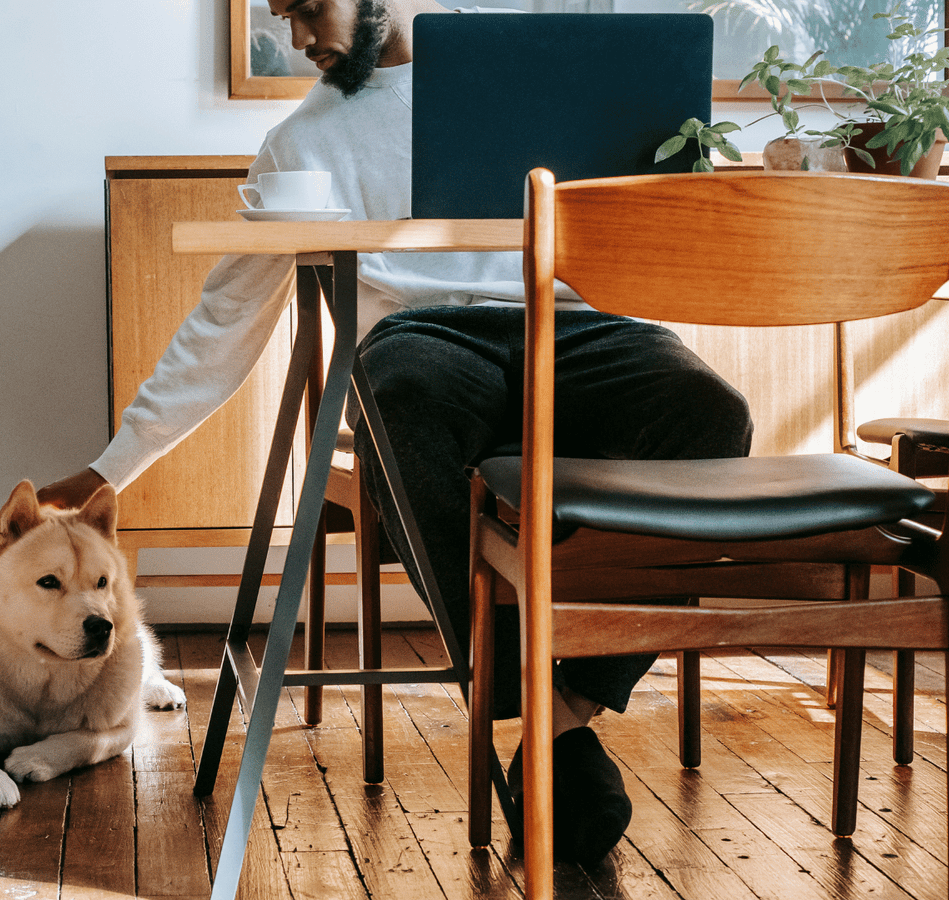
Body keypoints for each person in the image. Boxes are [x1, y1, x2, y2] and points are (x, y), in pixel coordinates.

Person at [40, 0, 753, 866]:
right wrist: (110, 468)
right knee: (400, 395)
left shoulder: (541, 78)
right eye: (284, 16)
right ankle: (531, 690)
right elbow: (223, 327)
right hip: (428, 341)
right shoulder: (302, 142)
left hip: (584, 327)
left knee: (713, 412)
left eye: (309, 7)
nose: (298, 37)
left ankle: (560, 709)